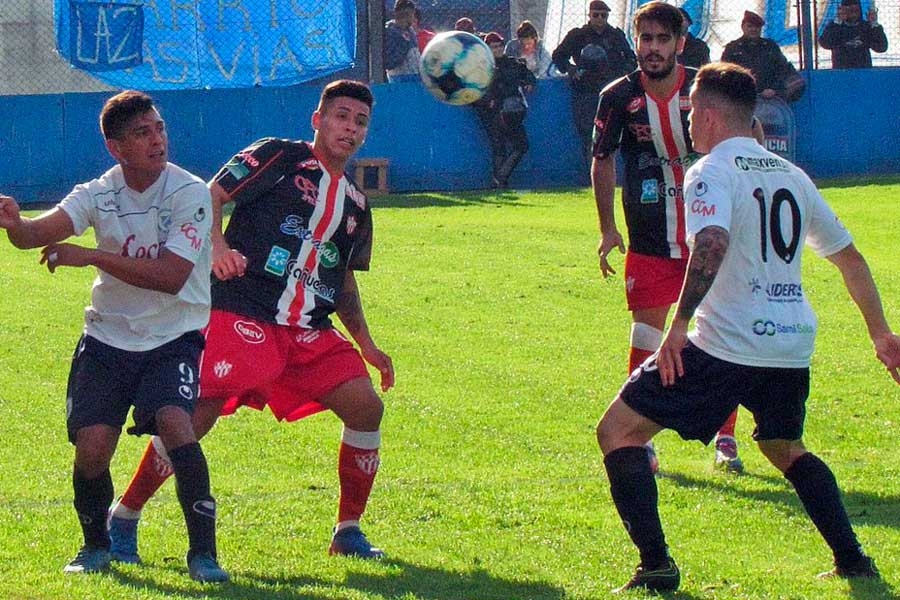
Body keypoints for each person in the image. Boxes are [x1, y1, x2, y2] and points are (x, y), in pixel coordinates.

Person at [596, 61, 900, 593]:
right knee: (784, 446)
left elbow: (710, 242)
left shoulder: (709, 171)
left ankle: (657, 565)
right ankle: (854, 561)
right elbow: (850, 259)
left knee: (617, 431)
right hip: (790, 343)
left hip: (728, 341)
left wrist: (678, 324)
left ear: (711, 116)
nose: (689, 122)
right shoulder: (791, 175)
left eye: (692, 112)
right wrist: (882, 334)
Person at [107, 80, 394, 563]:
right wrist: (217, 247)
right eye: (341, 116)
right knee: (198, 414)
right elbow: (210, 196)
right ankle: (124, 515)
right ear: (318, 120)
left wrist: (366, 343)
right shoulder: (278, 155)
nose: (350, 128)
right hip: (244, 309)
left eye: (360, 122)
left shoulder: (356, 205)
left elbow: (342, 278)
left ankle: (348, 531)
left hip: (308, 329)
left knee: (366, 408)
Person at [0, 91, 228, 582]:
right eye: (142, 133)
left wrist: (91, 256)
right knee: (92, 448)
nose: (157, 140)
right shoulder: (98, 192)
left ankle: (203, 555)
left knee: (176, 424)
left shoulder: (189, 192)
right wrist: (15, 223)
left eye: (159, 128)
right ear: (115, 147)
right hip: (107, 337)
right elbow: (36, 233)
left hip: (174, 335)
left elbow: (171, 276)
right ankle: (96, 547)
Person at [591, 2, 698, 473]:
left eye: (662, 39)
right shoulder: (617, 96)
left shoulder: (704, 87)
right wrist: (607, 227)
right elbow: (602, 159)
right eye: (645, 39)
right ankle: (640, 437)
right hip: (650, 235)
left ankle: (726, 438)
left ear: (680, 43)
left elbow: (746, 133)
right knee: (646, 336)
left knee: (722, 334)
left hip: (708, 235)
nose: (653, 48)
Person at [552, 0, 636, 171]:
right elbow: (558, 56)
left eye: (603, 15)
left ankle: (616, 173)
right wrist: (572, 70)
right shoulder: (578, 35)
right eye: (596, 15)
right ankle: (594, 174)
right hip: (585, 91)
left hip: (611, 90)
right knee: (588, 134)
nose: (599, 19)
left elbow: (631, 59)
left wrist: (620, 75)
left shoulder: (615, 35)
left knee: (615, 132)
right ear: (589, 15)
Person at [475, 32, 537, 189]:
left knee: (519, 145)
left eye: (499, 46)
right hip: (492, 111)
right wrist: (488, 100)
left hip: (510, 110)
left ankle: (500, 178)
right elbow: (475, 91)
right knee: (500, 145)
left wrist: (529, 82)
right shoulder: (482, 67)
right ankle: (500, 179)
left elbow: (528, 75)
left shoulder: (513, 63)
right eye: (493, 47)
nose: (497, 49)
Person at [721, 11, 805, 102]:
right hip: (742, 99)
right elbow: (725, 74)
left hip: (770, 97)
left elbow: (783, 69)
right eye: (749, 26)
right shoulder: (732, 48)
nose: (753, 29)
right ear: (742, 27)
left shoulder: (770, 46)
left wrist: (774, 89)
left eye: (757, 27)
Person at [819, 0, 888, 69]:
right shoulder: (836, 27)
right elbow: (825, 43)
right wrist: (837, 22)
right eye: (850, 11)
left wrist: (874, 24)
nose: (853, 14)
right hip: (841, 71)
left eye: (856, 10)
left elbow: (881, 47)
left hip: (863, 71)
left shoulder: (865, 27)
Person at [384, 0, 421, 82]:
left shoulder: (410, 31)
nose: (413, 18)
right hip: (399, 77)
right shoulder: (390, 31)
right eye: (412, 14)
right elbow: (389, 62)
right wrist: (404, 42)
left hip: (415, 76)